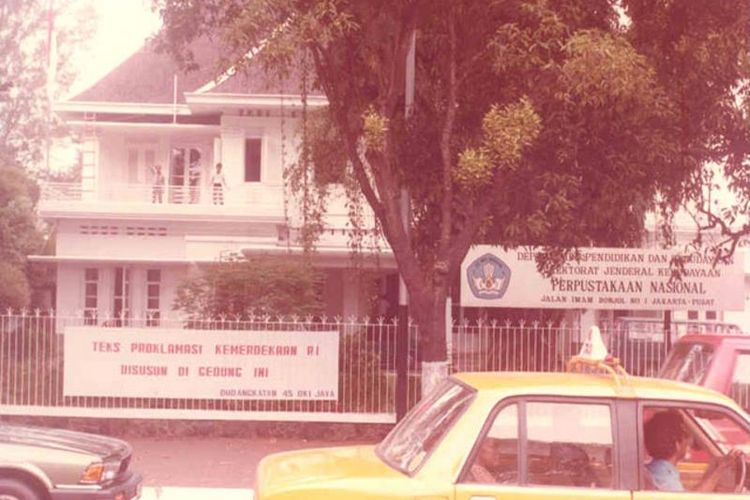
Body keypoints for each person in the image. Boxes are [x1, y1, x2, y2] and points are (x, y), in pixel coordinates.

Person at [644, 410, 739, 492]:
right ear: (677, 444)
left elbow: (690, 495)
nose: (688, 443)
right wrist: (719, 470)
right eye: (685, 437)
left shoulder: (658, 470)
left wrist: (713, 471)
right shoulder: (663, 477)